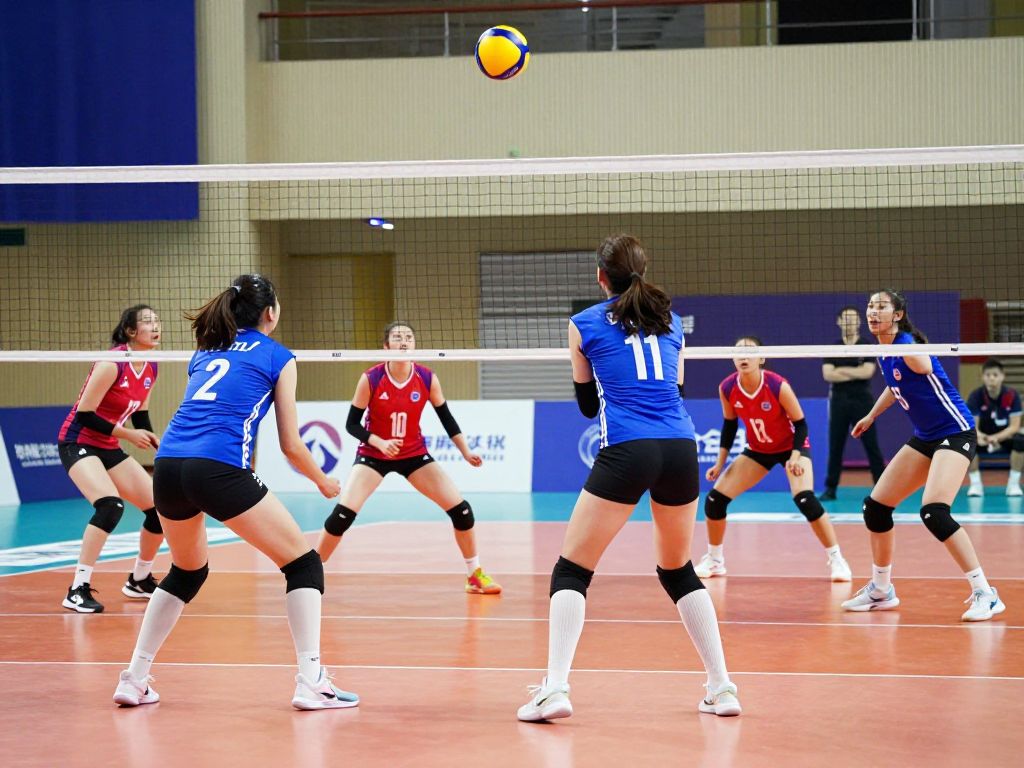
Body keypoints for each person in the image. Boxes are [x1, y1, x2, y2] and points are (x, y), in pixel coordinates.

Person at [517, 234, 740, 723]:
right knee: (678, 569)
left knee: (572, 569)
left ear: (601, 278)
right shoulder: (673, 322)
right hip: (681, 448)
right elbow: (676, 387)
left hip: (628, 448)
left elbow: (587, 406)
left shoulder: (583, 324)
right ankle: (722, 687)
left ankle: (554, 688)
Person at [113, 274, 359, 710]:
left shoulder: (204, 352)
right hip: (218, 468)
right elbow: (290, 444)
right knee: (303, 564)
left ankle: (134, 677)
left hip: (168, 468)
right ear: (271, 313)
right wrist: (322, 480)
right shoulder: (278, 357)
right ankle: (311, 680)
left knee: (187, 572)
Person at [841, 289, 1005, 621]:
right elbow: (894, 385)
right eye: (871, 307)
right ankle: (881, 589)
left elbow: (922, 363)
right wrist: (872, 415)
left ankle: (985, 593)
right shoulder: (884, 350)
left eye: (881, 307)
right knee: (875, 508)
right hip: (926, 437)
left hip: (955, 433)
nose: (873, 312)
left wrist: (914, 350)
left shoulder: (905, 345)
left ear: (897, 315)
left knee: (934, 512)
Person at [316, 322, 501, 595]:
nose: (403, 341)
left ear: (414, 344)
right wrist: (379, 442)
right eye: (397, 337)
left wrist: (465, 450)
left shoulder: (426, 378)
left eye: (408, 337)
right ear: (386, 346)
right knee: (342, 515)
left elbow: (447, 419)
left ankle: (474, 575)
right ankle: (310, 571)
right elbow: (352, 425)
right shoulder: (372, 378)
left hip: (414, 454)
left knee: (462, 511)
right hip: (373, 455)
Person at [696, 337, 851, 582]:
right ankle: (715, 560)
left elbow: (800, 424)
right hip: (758, 450)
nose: (744, 357)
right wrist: (719, 462)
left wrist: (795, 456)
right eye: (738, 353)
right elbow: (729, 425)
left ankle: (837, 560)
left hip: (791, 447)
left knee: (805, 499)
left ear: (762, 358)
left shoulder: (777, 385)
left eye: (750, 353)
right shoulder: (727, 388)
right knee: (715, 500)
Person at [58, 305, 164, 613]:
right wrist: (130, 436)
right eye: (147, 322)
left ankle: (139, 579)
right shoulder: (112, 362)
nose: (155, 327)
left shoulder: (152, 365)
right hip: (78, 440)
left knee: (159, 510)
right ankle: (77, 588)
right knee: (109, 505)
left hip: (107, 444)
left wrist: (154, 441)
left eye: (157, 322)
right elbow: (85, 414)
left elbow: (140, 411)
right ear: (131, 332)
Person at [821, 306, 885, 500]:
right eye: (846, 319)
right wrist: (854, 370)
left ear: (859, 322)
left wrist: (841, 372)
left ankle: (882, 487)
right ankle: (830, 489)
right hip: (839, 402)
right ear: (839, 322)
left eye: (853, 319)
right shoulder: (833, 347)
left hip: (862, 402)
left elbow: (867, 372)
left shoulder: (866, 345)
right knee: (836, 445)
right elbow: (827, 375)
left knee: (871, 445)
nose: (849, 322)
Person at [965, 358, 1023, 497]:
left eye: (995, 375)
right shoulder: (976, 396)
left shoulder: (1012, 395)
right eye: (988, 375)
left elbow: (1014, 426)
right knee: (966, 443)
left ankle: (1013, 484)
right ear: (982, 377)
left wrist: (995, 438)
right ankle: (975, 484)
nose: (991, 378)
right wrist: (981, 437)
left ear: (1003, 376)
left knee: (1021, 440)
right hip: (983, 437)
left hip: (1005, 437)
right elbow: (973, 427)